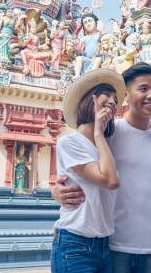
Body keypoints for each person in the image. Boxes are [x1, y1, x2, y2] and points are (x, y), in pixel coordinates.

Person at [53, 62, 151, 273]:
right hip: (113, 245)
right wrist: (55, 191)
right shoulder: (108, 133)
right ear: (127, 96)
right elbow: (78, 171)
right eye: (143, 89)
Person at [51, 68, 126, 272]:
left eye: (115, 99)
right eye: (107, 95)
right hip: (75, 244)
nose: (112, 101)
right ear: (90, 99)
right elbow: (110, 180)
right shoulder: (69, 142)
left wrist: (101, 136)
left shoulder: (107, 145)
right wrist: (99, 134)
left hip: (104, 244)